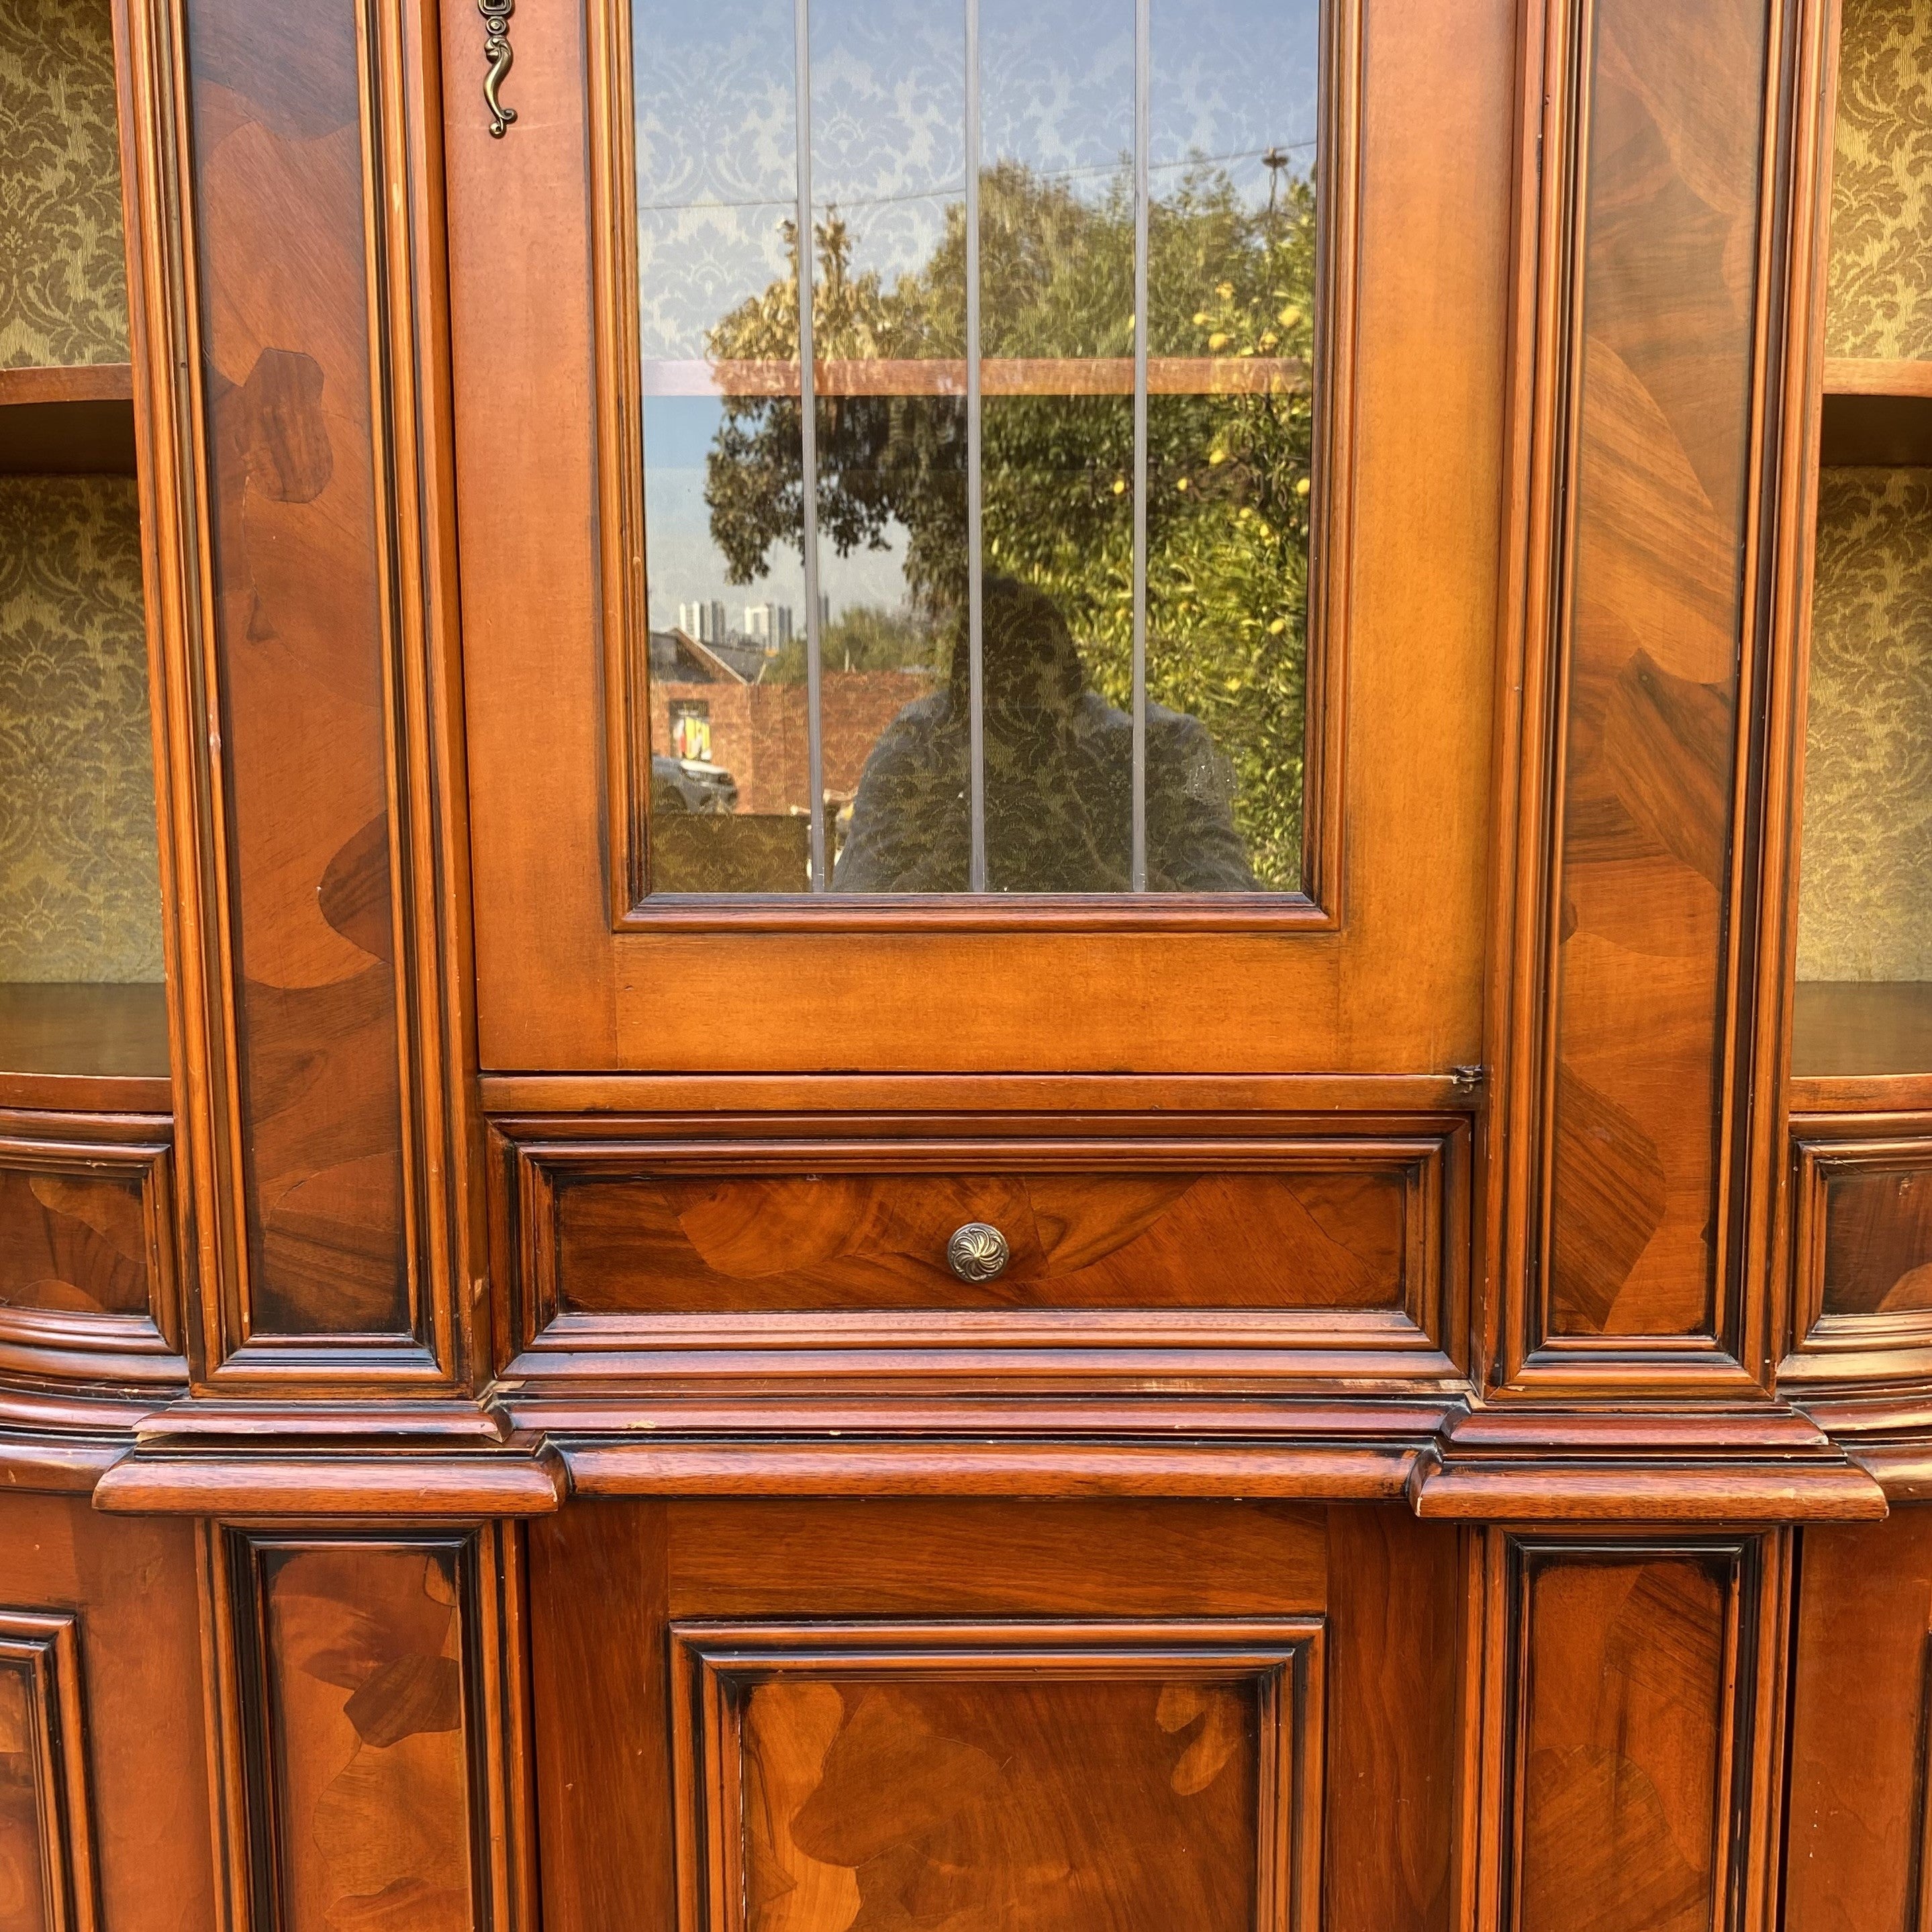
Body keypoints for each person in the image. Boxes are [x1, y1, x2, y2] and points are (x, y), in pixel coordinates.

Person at [833, 576, 1257, 893]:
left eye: (1036, 722)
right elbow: (846, 932)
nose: (1019, 747)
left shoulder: (1151, 754)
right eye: (998, 716)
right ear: (960, 708)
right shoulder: (917, 755)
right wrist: (946, 862)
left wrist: (1090, 867)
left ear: (1074, 704)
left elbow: (1234, 919)